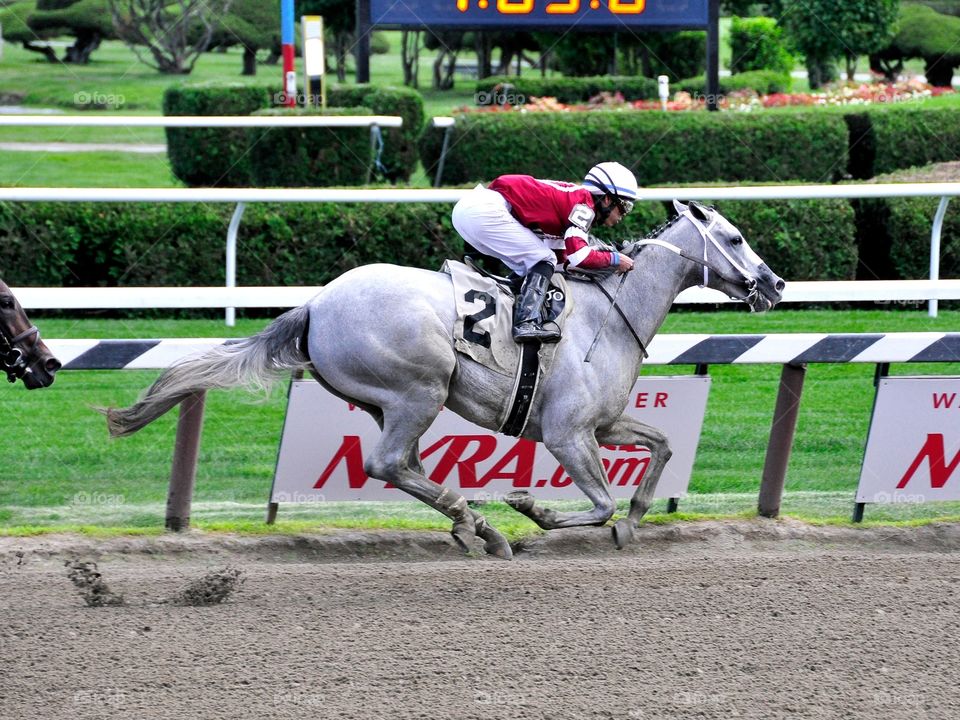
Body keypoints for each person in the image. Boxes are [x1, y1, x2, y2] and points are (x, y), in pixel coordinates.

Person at [452, 162, 639, 344]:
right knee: (543, 259)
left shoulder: (573, 204)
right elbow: (579, 257)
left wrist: (603, 258)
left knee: (539, 263)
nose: (623, 215)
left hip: (469, 211)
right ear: (607, 199)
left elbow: (561, 262)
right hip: (484, 211)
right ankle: (525, 323)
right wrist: (614, 259)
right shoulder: (584, 205)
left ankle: (512, 310)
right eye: (625, 206)